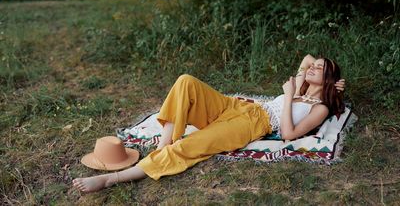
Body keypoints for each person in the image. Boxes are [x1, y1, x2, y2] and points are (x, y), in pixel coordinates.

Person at [72, 54, 346, 193]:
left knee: (192, 145)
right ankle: (163, 144)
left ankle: (112, 178)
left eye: (320, 69)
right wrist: (326, 76)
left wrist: (288, 98)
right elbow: (308, 57)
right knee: (185, 81)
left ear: (328, 79)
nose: (311, 68)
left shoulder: (318, 108)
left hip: (254, 125)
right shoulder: (300, 82)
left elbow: (288, 134)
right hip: (238, 106)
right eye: (314, 67)